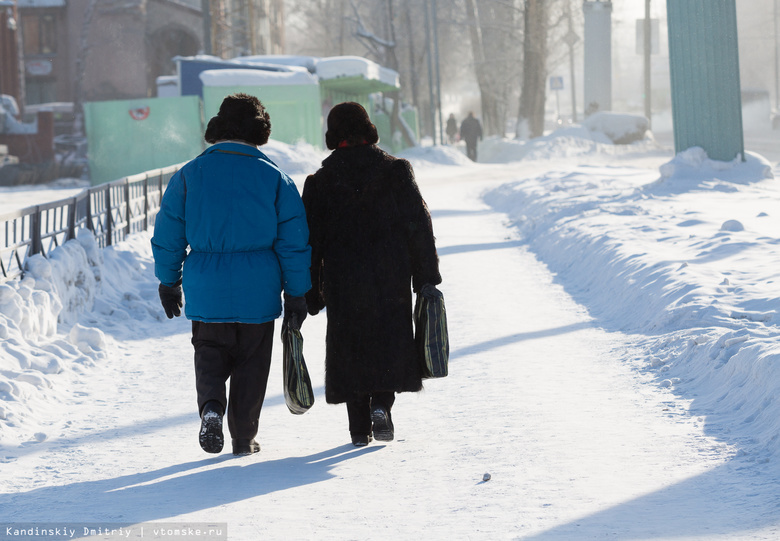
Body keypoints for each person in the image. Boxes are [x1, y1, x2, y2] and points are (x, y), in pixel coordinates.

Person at [151, 93, 311, 456]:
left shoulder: (189, 175)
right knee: (252, 365)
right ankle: (243, 437)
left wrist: (168, 280)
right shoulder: (275, 178)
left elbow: (168, 234)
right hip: (259, 290)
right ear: (259, 130)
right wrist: (297, 291)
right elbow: (294, 242)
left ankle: (211, 409)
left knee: (209, 353)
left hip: (206, 289)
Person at [302, 102, 442, 447]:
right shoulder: (395, 171)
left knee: (350, 347)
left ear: (334, 136)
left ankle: (357, 428)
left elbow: (310, 241)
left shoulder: (320, 182)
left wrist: (310, 290)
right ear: (369, 129)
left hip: (342, 280)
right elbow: (418, 225)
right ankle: (382, 405)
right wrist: (426, 275)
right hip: (389, 275)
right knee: (388, 341)